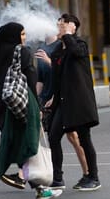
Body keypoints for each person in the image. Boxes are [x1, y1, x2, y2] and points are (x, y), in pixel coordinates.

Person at [0, 22, 62, 199]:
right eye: (21, 34)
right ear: (13, 36)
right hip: (21, 108)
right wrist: (37, 106)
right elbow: (31, 78)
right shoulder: (22, 52)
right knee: (17, 145)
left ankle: (40, 189)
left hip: (4, 107)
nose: (24, 38)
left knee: (21, 145)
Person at [45, 14, 101, 192]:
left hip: (79, 102)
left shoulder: (80, 45)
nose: (60, 27)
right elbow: (56, 78)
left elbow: (76, 52)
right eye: (59, 24)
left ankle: (93, 177)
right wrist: (51, 97)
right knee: (53, 137)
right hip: (62, 102)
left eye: (64, 25)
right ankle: (58, 178)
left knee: (84, 139)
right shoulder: (56, 52)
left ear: (73, 27)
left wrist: (68, 34)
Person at [35, 34, 89, 184]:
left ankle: (87, 172)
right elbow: (40, 78)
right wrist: (35, 97)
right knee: (46, 137)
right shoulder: (41, 47)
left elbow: (64, 72)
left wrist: (49, 61)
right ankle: (51, 177)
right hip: (48, 98)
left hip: (60, 98)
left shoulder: (61, 47)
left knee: (72, 137)